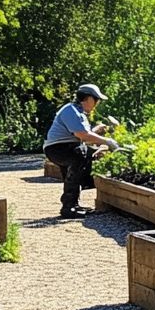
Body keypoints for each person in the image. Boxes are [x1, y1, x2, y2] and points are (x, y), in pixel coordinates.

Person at [43, 84, 119, 218]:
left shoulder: (78, 112)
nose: (97, 103)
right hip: (58, 148)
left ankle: (73, 204)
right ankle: (68, 207)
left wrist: (99, 131)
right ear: (88, 98)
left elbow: (84, 135)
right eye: (96, 100)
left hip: (66, 147)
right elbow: (82, 135)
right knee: (81, 154)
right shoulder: (70, 110)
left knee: (85, 155)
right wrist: (108, 142)